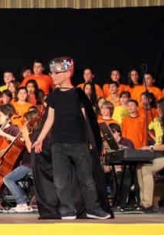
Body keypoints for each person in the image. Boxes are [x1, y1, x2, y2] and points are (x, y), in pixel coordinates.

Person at [33, 57, 110, 220]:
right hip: (58, 144)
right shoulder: (53, 96)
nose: (52, 76)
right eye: (51, 73)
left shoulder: (78, 94)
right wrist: (40, 138)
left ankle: (93, 208)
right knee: (61, 180)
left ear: (67, 73)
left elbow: (87, 120)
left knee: (86, 178)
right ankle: (67, 210)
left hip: (79, 142)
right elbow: (50, 119)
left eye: (56, 73)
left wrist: (92, 142)